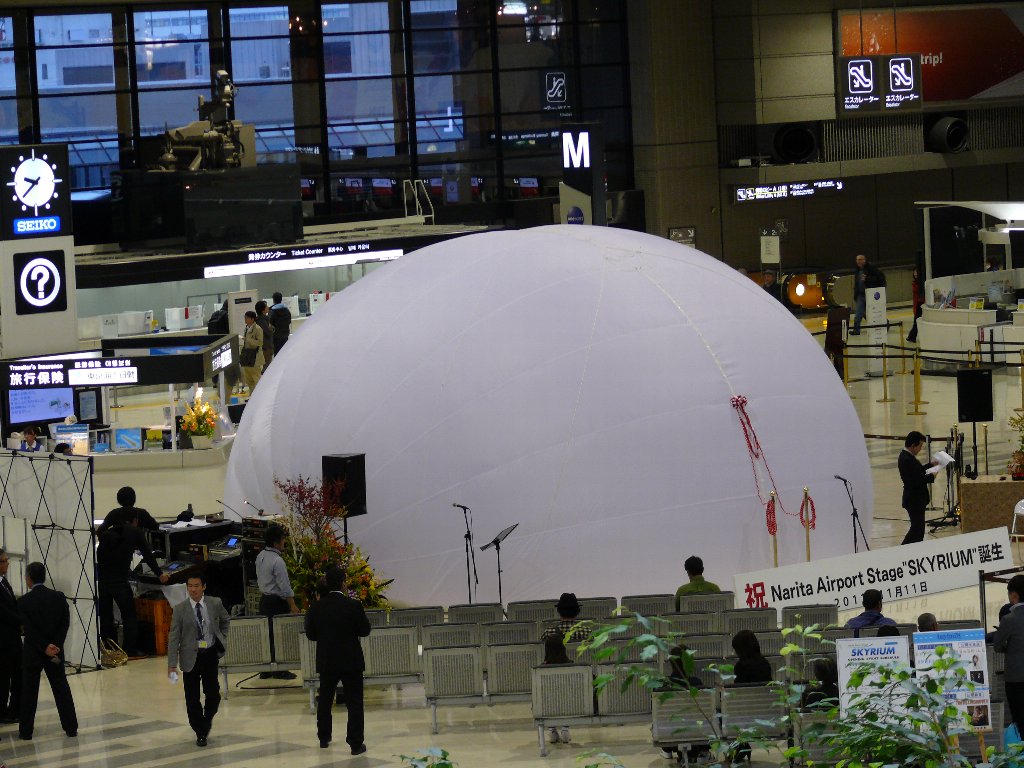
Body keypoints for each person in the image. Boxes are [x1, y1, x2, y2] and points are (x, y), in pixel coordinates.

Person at [303, 566, 371, 754]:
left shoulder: (316, 607)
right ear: (343, 583)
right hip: (351, 660)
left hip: (327, 660)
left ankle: (324, 737)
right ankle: (355, 743)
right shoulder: (353, 605)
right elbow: (365, 630)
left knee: (325, 700)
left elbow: (311, 635)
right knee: (354, 702)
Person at [96, 509, 168, 659]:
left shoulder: (107, 533)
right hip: (120, 581)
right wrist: (159, 574)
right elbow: (148, 554)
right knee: (129, 616)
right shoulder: (134, 532)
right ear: (135, 520)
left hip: (103, 581)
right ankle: (131, 650)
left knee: (106, 616)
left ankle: (109, 649)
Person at [168, 574, 230, 747]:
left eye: (196, 586)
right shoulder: (180, 609)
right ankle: (200, 731)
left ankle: (207, 719)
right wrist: (171, 664)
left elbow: (225, 620)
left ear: (203, 587)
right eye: (190, 586)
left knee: (213, 694)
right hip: (189, 656)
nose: (193, 589)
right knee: (191, 697)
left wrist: (221, 638)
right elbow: (173, 637)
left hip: (209, 654)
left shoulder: (214, 603)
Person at [18, 561, 77, 740]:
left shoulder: (23, 602)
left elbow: (28, 629)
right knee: (61, 688)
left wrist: (43, 646)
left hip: (33, 653)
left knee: (29, 691)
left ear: (28, 579)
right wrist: (55, 645)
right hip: (55, 652)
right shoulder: (59, 597)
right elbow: (64, 622)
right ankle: (71, 727)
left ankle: (26, 731)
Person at [255, 523, 299, 679]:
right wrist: (293, 605)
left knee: (267, 635)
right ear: (276, 542)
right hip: (276, 602)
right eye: (282, 540)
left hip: (264, 600)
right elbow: (285, 586)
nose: (284, 543)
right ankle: (280, 669)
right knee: (279, 635)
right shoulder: (277, 561)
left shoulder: (260, 556)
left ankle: (266, 669)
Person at [994, 574, 1024, 732]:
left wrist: (1010, 647)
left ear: (1014, 595)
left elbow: (997, 646)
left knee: (1019, 718)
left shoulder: (1009, 619)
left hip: (1016, 679)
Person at [899, 430, 936, 545]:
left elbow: (918, 471)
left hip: (916, 500)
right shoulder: (906, 460)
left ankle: (915, 550)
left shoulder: (908, 457)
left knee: (919, 530)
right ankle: (902, 550)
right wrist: (932, 475)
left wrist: (931, 465)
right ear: (913, 445)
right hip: (914, 500)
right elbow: (916, 480)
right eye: (920, 446)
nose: (920, 449)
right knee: (917, 529)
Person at [0, 548, 21, 724]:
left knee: (16, 677)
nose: (7, 563)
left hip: (12, 640)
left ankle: (13, 710)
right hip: (3, 641)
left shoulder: (4, 583)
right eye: (5, 560)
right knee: (3, 679)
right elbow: (4, 612)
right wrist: (22, 622)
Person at [542, 635, 573, 745]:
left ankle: (552, 731)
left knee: (549, 700)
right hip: (568, 703)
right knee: (567, 698)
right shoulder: (571, 666)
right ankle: (565, 729)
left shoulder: (541, 670)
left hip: (549, 706)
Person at [851, 253, 886, 335]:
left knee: (873, 313)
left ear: (864, 260)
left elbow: (878, 279)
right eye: (857, 260)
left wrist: (867, 279)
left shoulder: (871, 268)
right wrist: (856, 295)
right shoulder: (857, 271)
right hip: (860, 295)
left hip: (871, 295)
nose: (858, 261)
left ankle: (885, 324)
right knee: (859, 313)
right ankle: (856, 330)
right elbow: (857, 284)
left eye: (860, 259)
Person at [240, 310, 263, 394]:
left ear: (252, 319)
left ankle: (259, 395)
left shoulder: (257, 329)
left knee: (256, 378)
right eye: (245, 318)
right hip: (247, 357)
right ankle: (252, 395)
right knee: (248, 379)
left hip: (255, 357)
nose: (245, 320)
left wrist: (248, 340)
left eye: (247, 318)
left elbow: (260, 343)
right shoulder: (246, 328)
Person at [254, 300, 275, 371]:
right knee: (267, 367)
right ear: (263, 310)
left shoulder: (262, 319)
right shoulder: (262, 320)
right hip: (266, 347)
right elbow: (268, 332)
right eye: (266, 306)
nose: (268, 307)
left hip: (265, 346)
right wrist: (272, 327)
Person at [907, 264, 924, 343]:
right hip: (918, 305)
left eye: (917, 272)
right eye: (914, 272)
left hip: (922, 304)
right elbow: (916, 290)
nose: (915, 273)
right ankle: (911, 336)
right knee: (916, 321)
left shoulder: (922, 281)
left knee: (918, 321)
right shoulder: (915, 283)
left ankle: (912, 336)